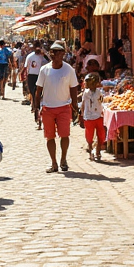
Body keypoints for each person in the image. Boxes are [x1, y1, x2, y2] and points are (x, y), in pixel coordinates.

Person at [35, 41, 80, 172]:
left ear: (63, 54)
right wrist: (36, 107)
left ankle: (63, 159)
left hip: (64, 107)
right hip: (48, 108)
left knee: (64, 135)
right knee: (50, 136)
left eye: (59, 52)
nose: (55, 55)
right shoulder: (45, 70)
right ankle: (54, 162)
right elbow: (38, 90)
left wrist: (75, 106)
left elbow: (73, 88)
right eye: (53, 52)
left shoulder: (69, 70)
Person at [79, 72, 106, 162]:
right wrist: (82, 115)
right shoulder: (86, 93)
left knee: (101, 135)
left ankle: (98, 150)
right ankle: (90, 149)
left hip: (98, 115)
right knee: (89, 136)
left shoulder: (99, 93)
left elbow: (102, 101)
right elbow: (83, 104)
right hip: (89, 117)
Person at [24, 41, 49, 126]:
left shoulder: (43, 56)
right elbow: (26, 67)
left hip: (41, 76)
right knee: (34, 94)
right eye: (36, 46)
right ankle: (36, 110)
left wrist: (44, 53)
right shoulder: (30, 56)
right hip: (31, 77)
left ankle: (38, 112)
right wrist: (23, 75)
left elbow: (51, 61)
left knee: (39, 94)